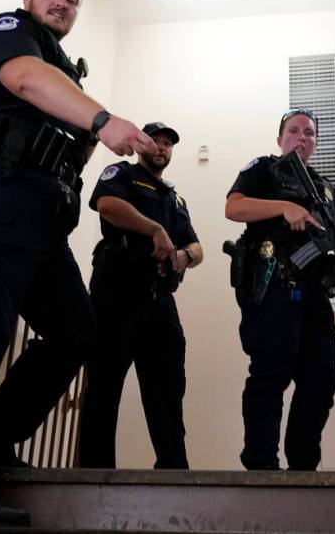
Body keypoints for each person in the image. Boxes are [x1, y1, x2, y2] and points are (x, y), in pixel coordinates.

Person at [0, 0, 157, 526]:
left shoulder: (64, 68)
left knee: (77, 330)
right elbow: (24, 79)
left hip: (38, 221)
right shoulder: (7, 32)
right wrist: (101, 118)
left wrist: (113, 140)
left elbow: (65, 141)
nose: (64, 3)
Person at [225, 109, 335, 470]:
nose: (302, 137)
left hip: (315, 293)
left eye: (309, 133)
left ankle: (303, 467)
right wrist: (284, 207)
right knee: (271, 372)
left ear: (316, 142)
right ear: (280, 138)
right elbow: (234, 207)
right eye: (294, 131)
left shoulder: (327, 189)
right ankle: (261, 465)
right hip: (273, 285)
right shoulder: (264, 169)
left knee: (321, 375)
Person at [77, 121, 203, 470]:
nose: (161, 148)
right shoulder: (123, 173)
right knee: (104, 383)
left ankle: (174, 471)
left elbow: (196, 246)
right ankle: (93, 472)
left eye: (168, 144)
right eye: (155, 141)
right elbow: (106, 205)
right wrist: (155, 229)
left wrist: (183, 256)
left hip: (159, 297)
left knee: (168, 387)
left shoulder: (174, 197)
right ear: (141, 144)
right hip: (117, 291)